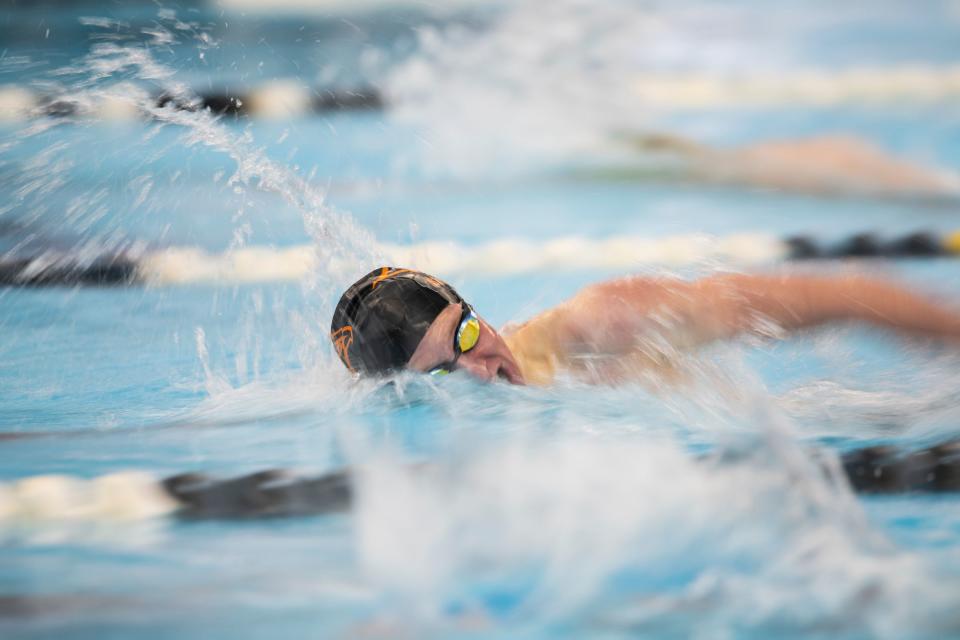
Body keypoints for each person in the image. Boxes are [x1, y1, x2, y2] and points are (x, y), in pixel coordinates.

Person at [331, 266, 960, 386]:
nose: (479, 366)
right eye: (442, 372)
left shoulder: (603, 326)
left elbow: (838, 296)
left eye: (466, 336)